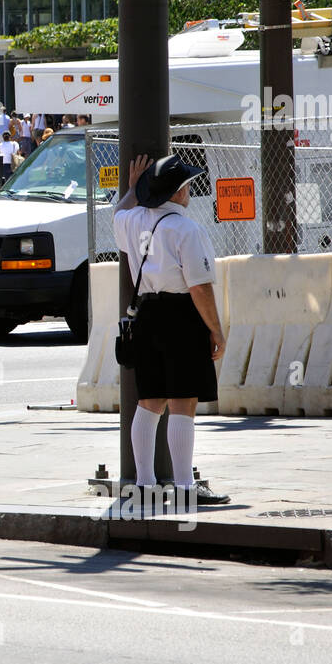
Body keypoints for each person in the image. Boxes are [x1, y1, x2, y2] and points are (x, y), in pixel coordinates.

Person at [114, 154, 229, 507]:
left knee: (149, 403)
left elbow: (118, 212)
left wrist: (134, 189)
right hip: (182, 315)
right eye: (187, 184)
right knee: (183, 402)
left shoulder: (133, 221)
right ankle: (183, 487)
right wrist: (216, 329)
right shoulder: (187, 229)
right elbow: (199, 286)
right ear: (178, 192)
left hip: (147, 313)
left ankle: (145, 485)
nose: (190, 188)